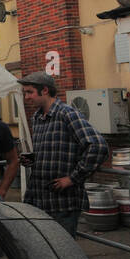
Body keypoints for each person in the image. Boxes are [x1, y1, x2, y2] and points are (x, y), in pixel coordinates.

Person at [17, 71, 108, 237]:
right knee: (42, 251)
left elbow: (97, 146)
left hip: (62, 202)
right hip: (38, 198)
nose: (26, 98)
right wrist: (33, 159)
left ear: (44, 90)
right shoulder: (37, 117)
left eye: (29, 92)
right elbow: (53, 151)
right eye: (25, 93)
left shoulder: (67, 113)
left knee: (62, 256)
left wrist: (73, 178)